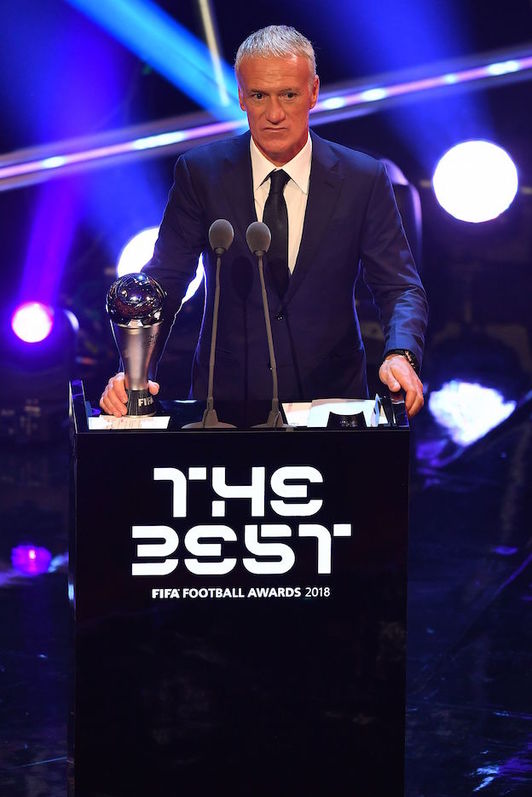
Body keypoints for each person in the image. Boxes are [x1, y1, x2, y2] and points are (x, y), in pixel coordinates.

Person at [100, 25, 427, 418]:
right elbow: (165, 283)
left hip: (333, 400)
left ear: (313, 92)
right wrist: (134, 374)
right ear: (241, 96)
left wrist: (400, 353)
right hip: (225, 405)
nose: (274, 114)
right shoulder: (201, 173)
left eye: (288, 95)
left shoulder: (363, 178)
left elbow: (399, 286)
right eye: (259, 95)